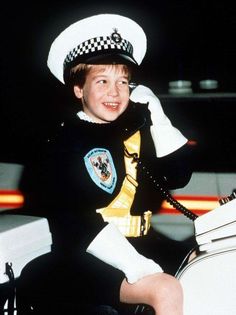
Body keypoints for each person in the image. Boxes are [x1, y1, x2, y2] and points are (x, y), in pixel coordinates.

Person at [16, 13, 195, 315]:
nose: (115, 91)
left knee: (207, 261)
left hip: (138, 242)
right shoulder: (67, 142)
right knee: (166, 289)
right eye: (102, 81)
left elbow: (179, 174)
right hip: (84, 255)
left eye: (123, 81)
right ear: (78, 89)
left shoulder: (130, 130)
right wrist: (136, 265)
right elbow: (78, 223)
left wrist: (158, 115)